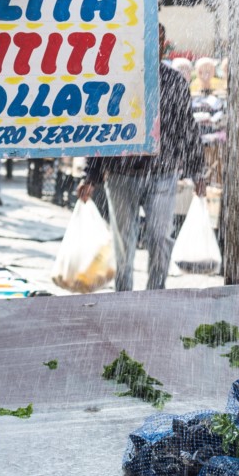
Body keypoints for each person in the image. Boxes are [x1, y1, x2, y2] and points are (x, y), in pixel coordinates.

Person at [78, 24, 205, 291]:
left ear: (163, 46)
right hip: (121, 175)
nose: (151, 47)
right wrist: (90, 175)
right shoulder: (118, 80)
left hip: (162, 174)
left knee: (160, 238)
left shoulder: (174, 82)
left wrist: (197, 172)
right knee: (123, 242)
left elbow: (187, 128)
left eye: (156, 42)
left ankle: (155, 294)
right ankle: (123, 296)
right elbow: (101, 129)